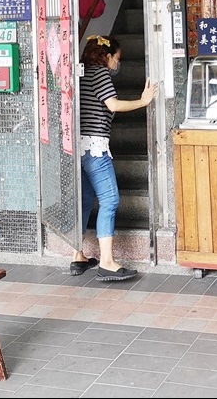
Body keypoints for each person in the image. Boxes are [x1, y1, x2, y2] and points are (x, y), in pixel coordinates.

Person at [70, 34, 157, 281]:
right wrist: (143, 100)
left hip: (79, 146)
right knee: (110, 199)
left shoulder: (81, 72)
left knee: (86, 200)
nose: (117, 64)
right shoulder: (100, 73)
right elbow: (113, 105)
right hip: (95, 147)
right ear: (107, 56)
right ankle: (107, 262)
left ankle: (78, 256)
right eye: (117, 58)